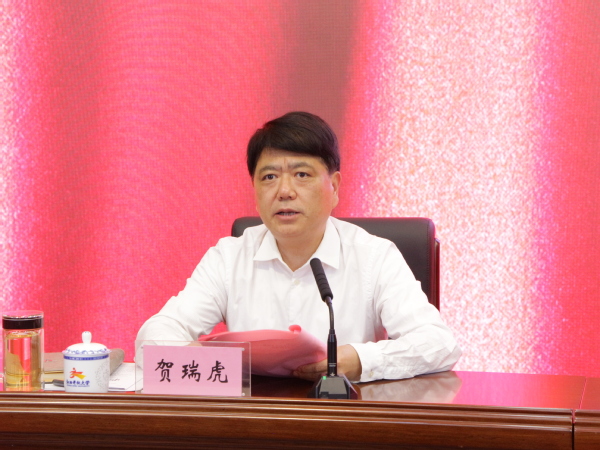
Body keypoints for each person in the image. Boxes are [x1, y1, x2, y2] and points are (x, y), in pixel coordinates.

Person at [136, 111, 461, 383]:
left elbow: (439, 343)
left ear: (334, 187)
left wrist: (361, 359)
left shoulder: (374, 256)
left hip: (344, 417)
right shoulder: (229, 257)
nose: (284, 191)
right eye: (269, 177)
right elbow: (155, 334)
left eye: (302, 174)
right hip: (251, 420)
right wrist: (201, 361)